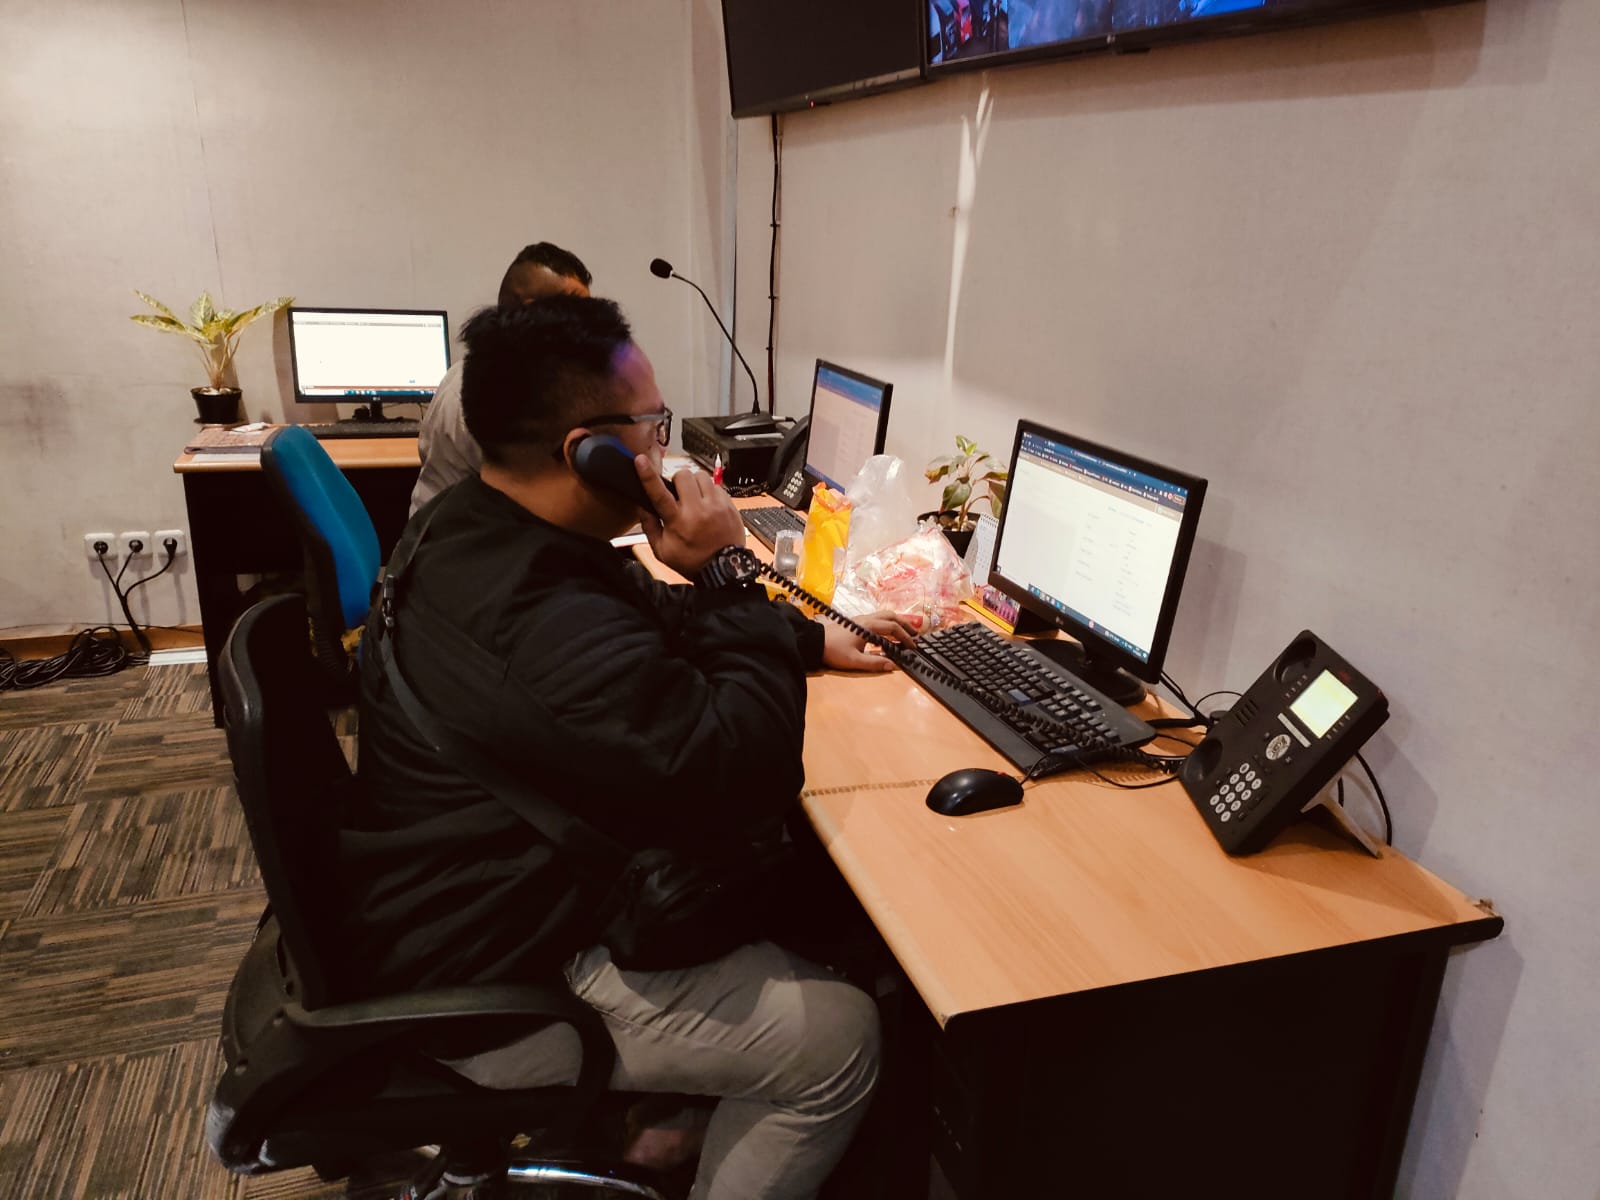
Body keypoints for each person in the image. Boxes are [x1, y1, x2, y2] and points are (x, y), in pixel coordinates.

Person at [345, 296, 918, 1199]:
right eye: (653, 426)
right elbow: (749, 772)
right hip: (497, 982)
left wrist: (808, 638)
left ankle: (674, 1123)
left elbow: (648, 616)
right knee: (839, 1040)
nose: (664, 448)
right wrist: (729, 573)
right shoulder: (536, 618)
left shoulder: (478, 525)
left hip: (456, 896)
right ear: (588, 451)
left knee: (814, 901)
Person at [409, 241, 593, 515]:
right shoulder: (486, 389)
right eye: (578, 312)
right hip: (465, 535)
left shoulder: (521, 373)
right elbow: (543, 494)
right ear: (529, 314)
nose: (591, 325)